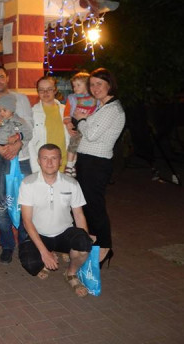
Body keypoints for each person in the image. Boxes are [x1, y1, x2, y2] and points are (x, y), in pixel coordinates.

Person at [17, 144, 93, 297]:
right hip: (39, 234)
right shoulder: (28, 183)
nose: (49, 162)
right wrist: (44, 252)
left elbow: (79, 215)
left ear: (60, 161)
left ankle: (71, 273)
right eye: (45, 158)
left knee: (85, 244)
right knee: (31, 265)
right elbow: (27, 221)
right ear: (39, 161)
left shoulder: (71, 183)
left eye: (54, 158)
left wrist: (85, 238)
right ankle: (49, 255)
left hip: (64, 232)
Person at [73, 68, 125, 267]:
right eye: (92, 84)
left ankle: (104, 248)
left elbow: (91, 134)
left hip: (96, 163)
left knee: (95, 207)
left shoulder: (112, 109)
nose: (95, 88)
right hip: (88, 162)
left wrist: (80, 120)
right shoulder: (101, 107)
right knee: (87, 205)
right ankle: (95, 242)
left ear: (109, 85)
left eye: (99, 84)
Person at [0, 65, 34, 264]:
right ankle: (7, 245)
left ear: (7, 77)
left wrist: (17, 144)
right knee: (1, 205)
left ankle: (25, 243)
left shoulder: (21, 99)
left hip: (21, 160)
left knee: (24, 203)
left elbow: (29, 127)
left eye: (1, 76)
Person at [0, 93, 33, 208]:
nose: (1, 113)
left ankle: (3, 199)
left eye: (4, 110)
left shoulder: (19, 121)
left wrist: (18, 136)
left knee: (6, 175)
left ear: (12, 110)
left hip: (10, 152)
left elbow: (28, 134)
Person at [28, 76, 70, 174]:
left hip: (64, 164)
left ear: (55, 90)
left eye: (49, 89)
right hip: (44, 166)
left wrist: (70, 163)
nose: (45, 92)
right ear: (38, 92)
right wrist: (36, 168)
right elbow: (30, 143)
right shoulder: (32, 113)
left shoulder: (66, 111)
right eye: (41, 90)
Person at [63, 72, 97, 177]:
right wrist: (68, 122)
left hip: (89, 124)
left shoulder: (95, 98)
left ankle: (73, 164)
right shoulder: (72, 98)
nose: (75, 88)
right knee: (74, 143)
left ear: (87, 85)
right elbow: (67, 112)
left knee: (80, 147)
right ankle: (69, 165)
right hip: (76, 123)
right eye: (74, 86)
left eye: (78, 85)